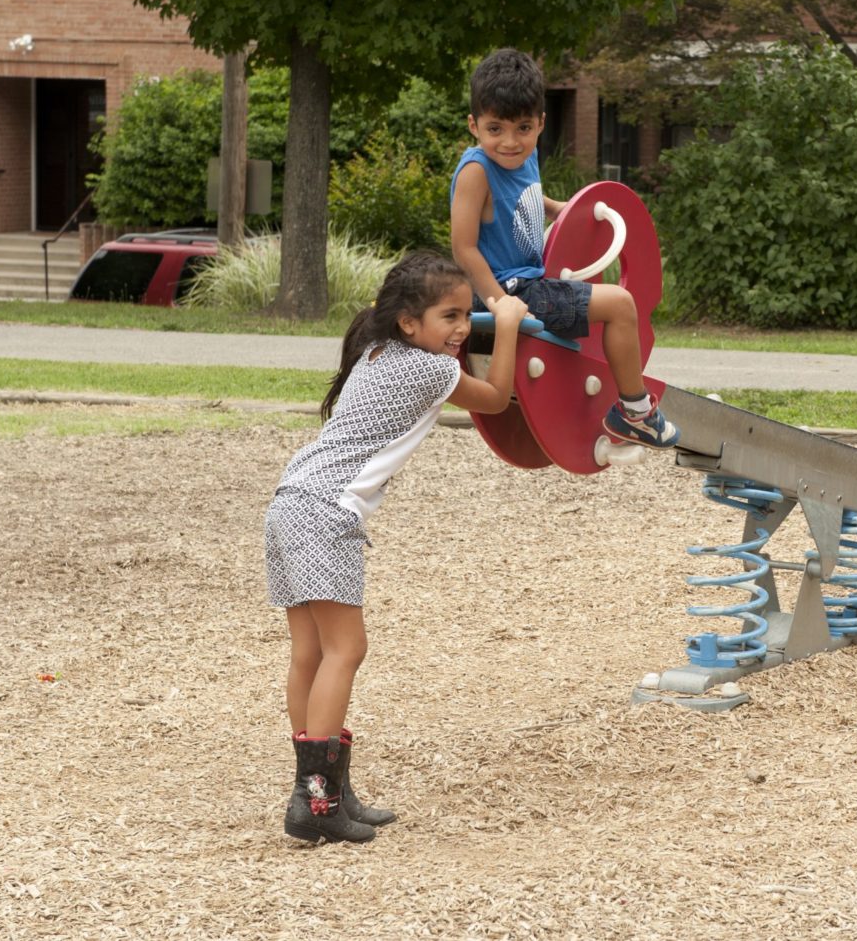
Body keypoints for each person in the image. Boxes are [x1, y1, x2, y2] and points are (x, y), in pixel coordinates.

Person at [264, 250, 529, 843]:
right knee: (344, 650)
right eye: (451, 316)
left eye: (469, 315)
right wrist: (505, 324)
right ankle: (318, 802)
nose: (463, 328)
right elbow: (496, 397)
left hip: (292, 499)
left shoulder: (378, 352)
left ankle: (320, 790)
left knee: (311, 654)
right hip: (324, 511)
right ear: (409, 322)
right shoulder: (427, 369)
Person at [449, 47, 679, 449]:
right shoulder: (476, 171)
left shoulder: (526, 157)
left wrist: (563, 209)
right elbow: (464, 248)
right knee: (621, 304)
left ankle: (624, 397)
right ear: (474, 125)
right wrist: (500, 302)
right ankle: (636, 413)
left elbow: (525, 200)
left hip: (528, 286)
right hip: (515, 291)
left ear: (540, 123)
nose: (509, 142)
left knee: (611, 304)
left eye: (522, 128)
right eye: (495, 129)